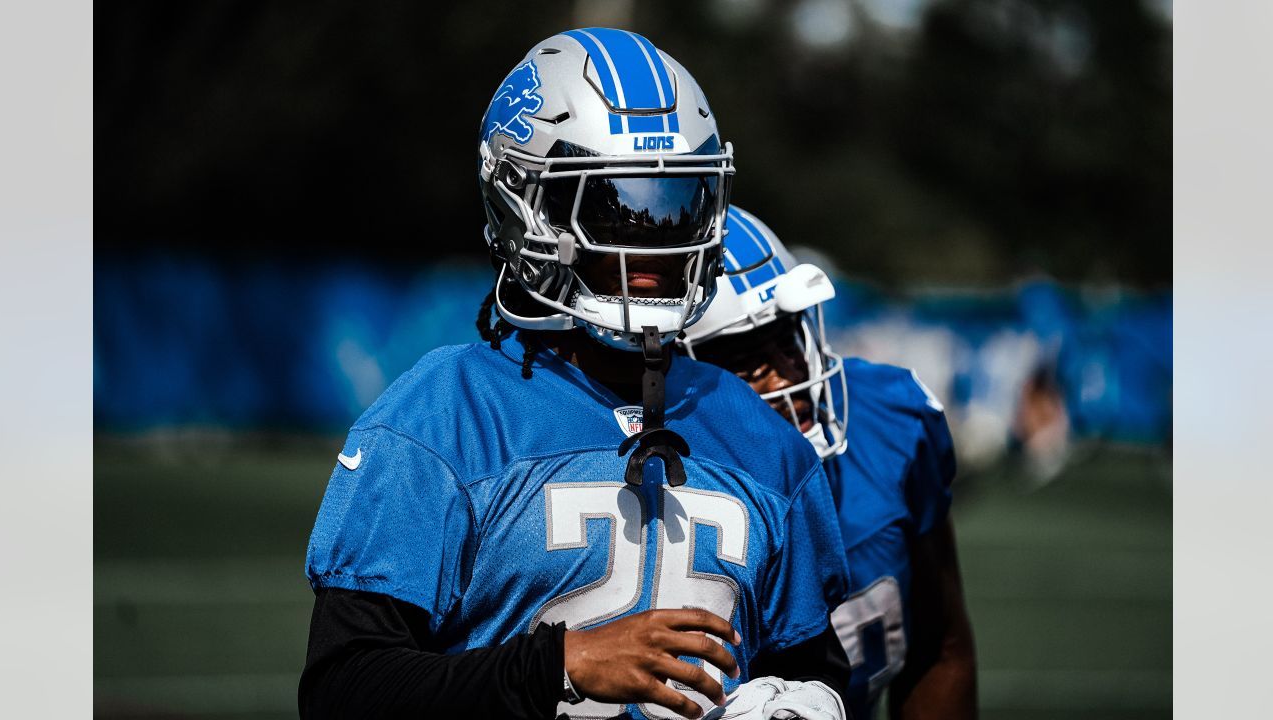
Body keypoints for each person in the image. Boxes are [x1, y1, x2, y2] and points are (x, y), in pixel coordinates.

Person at [299, 30, 853, 720]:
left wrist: (805, 705)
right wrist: (555, 666)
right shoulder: (440, 420)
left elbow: (816, 673)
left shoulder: (761, 440)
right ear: (522, 203)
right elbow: (342, 692)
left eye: (675, 204)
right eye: (616, 206)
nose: (655, 241)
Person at [681, 207, 977, 719]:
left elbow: (940, 649)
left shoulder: (890, 423)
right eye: (745, 358)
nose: (789, 375)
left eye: (789, 336)